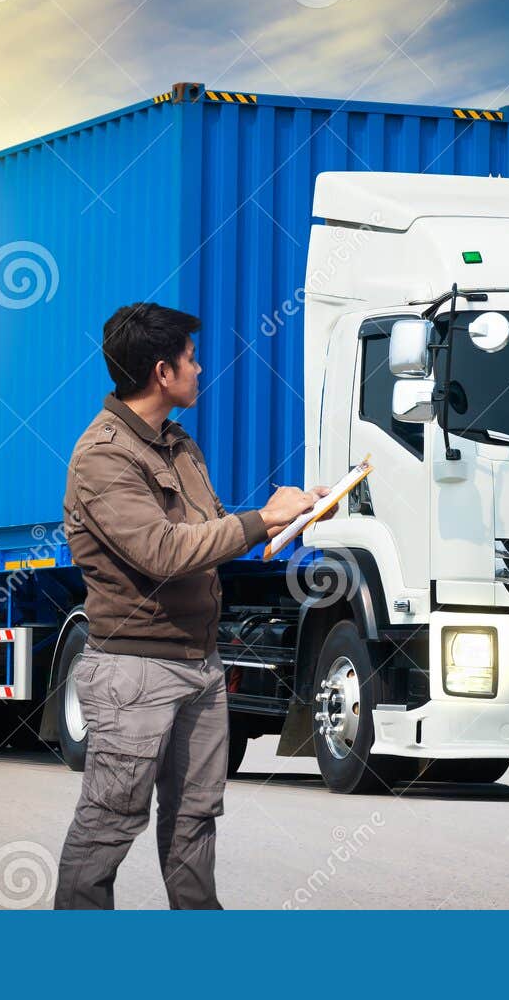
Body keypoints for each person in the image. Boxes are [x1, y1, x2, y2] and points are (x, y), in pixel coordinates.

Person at [55, 301, 325, 910]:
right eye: (191, 358)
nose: (200, 370)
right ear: (161, 372)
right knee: (109, 826)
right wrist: (259, 520)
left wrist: (294, 513)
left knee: (194, 822)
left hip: (199, 663)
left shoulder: (178, 443)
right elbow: (162, 551)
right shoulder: (103, 455)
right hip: (135, 670)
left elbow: (207, 535)